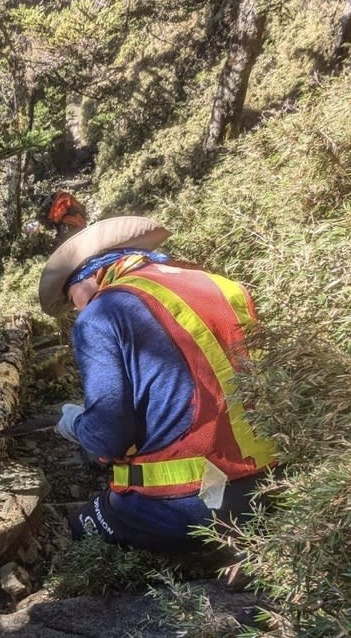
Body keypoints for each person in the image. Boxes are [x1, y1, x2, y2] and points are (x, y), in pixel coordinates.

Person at [38, 215, 278, 553]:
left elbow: (108, 438)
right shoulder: (222, 285)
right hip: (271, 481)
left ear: (91, 275)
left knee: (79, 527)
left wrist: (76, 423)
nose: (76, 308)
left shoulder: (101, 312)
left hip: (188, 505)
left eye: (71, 296)